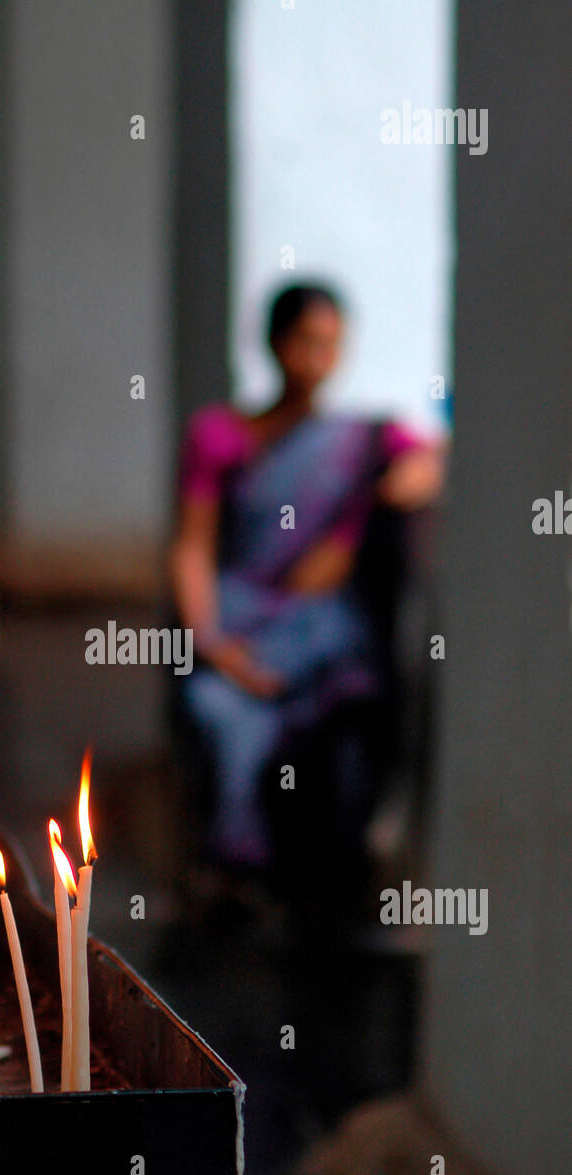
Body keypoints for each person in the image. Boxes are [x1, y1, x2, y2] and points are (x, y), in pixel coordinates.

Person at [169, 282, 443, 880]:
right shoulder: (220, 435)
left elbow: (434, 461)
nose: (318, 360)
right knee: (223, 712)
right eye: (305, 343)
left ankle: (335, 868)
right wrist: (212, 642)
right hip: (242, 618)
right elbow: (193, 547)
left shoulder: (362, 440)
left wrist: (377, 501)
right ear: (273, 344)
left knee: (353, 699)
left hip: (319, 630)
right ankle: (234, 870)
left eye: (331, 346)